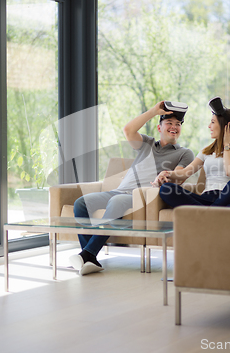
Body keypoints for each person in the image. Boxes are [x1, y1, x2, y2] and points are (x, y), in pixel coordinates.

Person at [70, 101, 194, 275]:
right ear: (159, 128)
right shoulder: (147, 144)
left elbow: (180, 174)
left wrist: (167, 175)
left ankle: (88, 254)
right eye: (169, 123)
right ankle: (89, 257)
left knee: (117, 201)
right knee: (80, 203)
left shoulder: (184, 153)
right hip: (119, 191)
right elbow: (128, 130)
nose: (174, 127)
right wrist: (153, 111)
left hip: (143, 196)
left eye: (178, 124)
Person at [154, 97, 230, 208]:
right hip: (206, 198)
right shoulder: (206, 150)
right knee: (166, 189)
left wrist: (226, 145)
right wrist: (166, 173)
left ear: (225, 126)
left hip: (227, 195)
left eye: (213, 122)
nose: (209, 126)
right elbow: (186, 172)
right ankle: (212, 211)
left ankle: (204, 213)